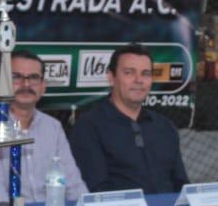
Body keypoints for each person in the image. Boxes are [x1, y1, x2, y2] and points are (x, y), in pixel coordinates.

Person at [69, 43, 188, 194]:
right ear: (111, 78)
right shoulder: (89, 126)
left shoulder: (165, 127)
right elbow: (96, 190)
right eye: (129, 73)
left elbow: (181, 185)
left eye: (145, 74)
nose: (139, 80)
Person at [0, 49, 87, 202]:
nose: (26, 84)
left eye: (33, 77)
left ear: (43, 86)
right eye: (16, 77)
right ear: (1, 84)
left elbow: (73, 184)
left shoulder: (53, 127)